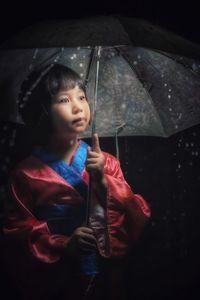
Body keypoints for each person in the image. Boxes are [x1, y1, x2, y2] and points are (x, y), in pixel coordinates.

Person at [2, 63, 151, 300]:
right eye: (63, 100)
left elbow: (133, 217)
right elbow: (16, 232)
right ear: (42, 109)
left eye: (81, 97)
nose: (78, 107)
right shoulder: (25, 174)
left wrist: (103, 182)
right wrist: (63, 245)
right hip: (58, 279)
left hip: (106, 276)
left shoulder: (107, 163)